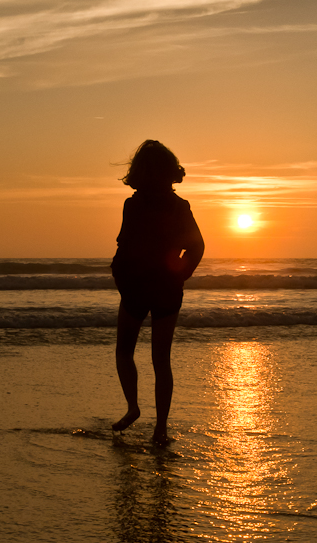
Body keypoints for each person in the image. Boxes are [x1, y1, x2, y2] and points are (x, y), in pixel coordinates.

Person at [110, 140, 204, 445]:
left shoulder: (133, 205)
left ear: (138, 172)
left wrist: (121, 278)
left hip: (137, 286)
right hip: (165, 287)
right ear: (170, 171)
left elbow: (124, 247)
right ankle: (160, 429)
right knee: (161, 360)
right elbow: (197, 247)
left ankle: (133, 408)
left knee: (125, 350)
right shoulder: (180, 206)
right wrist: (179, 274)